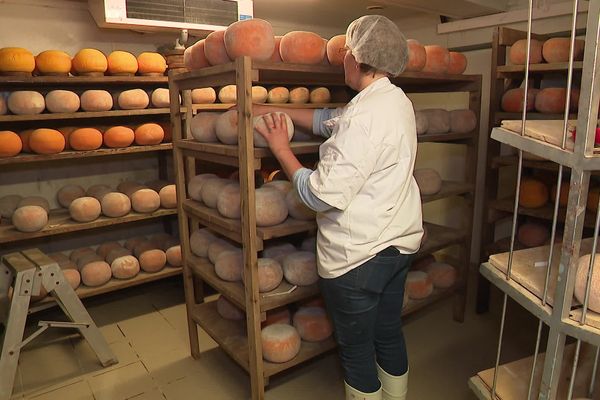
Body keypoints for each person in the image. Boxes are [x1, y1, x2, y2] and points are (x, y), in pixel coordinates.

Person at [254, 15, 423, 400]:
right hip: (397, 246)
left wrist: (280, 149)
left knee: (358, 351)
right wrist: (266, 108)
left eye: (346, 52)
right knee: (388, 333)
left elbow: (319, 195)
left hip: (358, 257)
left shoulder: (365, 117)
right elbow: (333, 120)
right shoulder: (394, 100)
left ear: (358, 58)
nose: (342, 58)